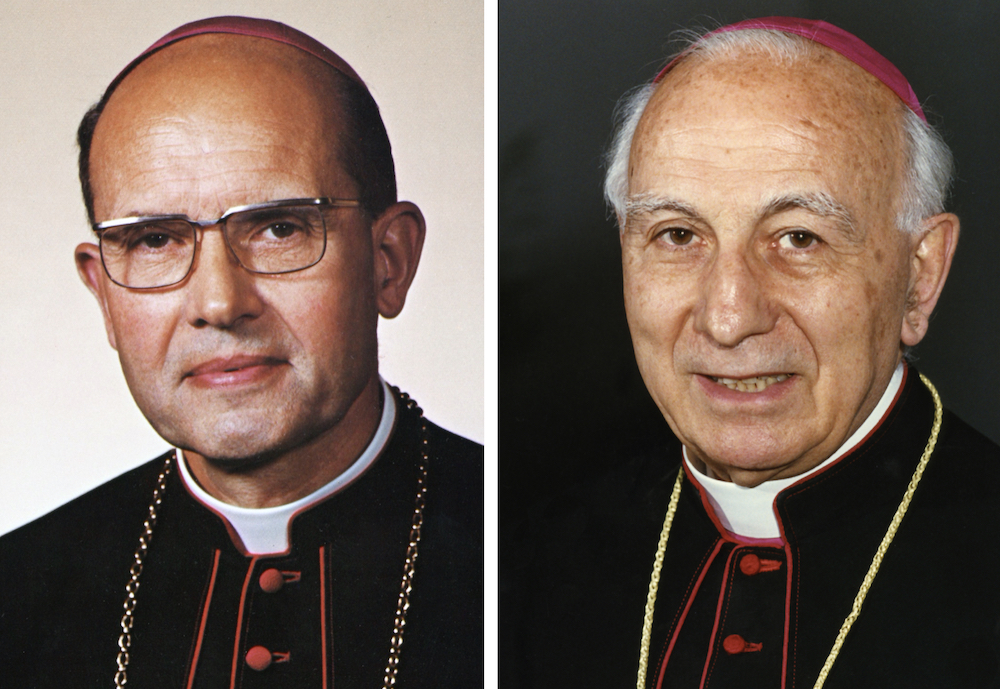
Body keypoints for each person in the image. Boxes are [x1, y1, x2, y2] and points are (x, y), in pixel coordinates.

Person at [507, 17, 1000, 689]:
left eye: (799, 238)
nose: (729, 318)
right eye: (678, 234)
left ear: (920, 274)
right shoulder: (527, 566)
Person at [0, 16, 482, 689]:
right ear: (104, 293)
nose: (220, 303)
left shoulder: (515, 552)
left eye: (278, 228)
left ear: (388, 262)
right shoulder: (16, 595)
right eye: (155, 241)